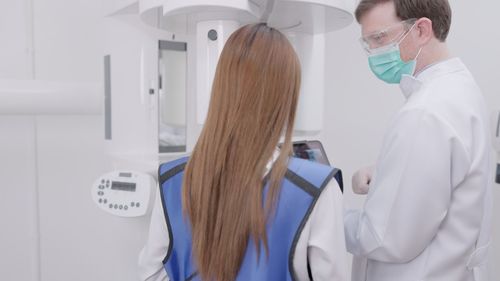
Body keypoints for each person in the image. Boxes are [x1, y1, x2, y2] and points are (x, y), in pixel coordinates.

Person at [139, 23, 348, 281]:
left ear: (221, 88)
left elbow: (152, 274)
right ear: (287, 96)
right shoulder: (315, 189)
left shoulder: (173, 180)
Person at [344, 1, 493, 281]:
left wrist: (325, 216)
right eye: (368, 43)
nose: (374, 53)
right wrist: (386, 173)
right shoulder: (460, 90)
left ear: (422, 30)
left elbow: (384, 238)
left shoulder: (425, 112)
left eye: (380, 38)